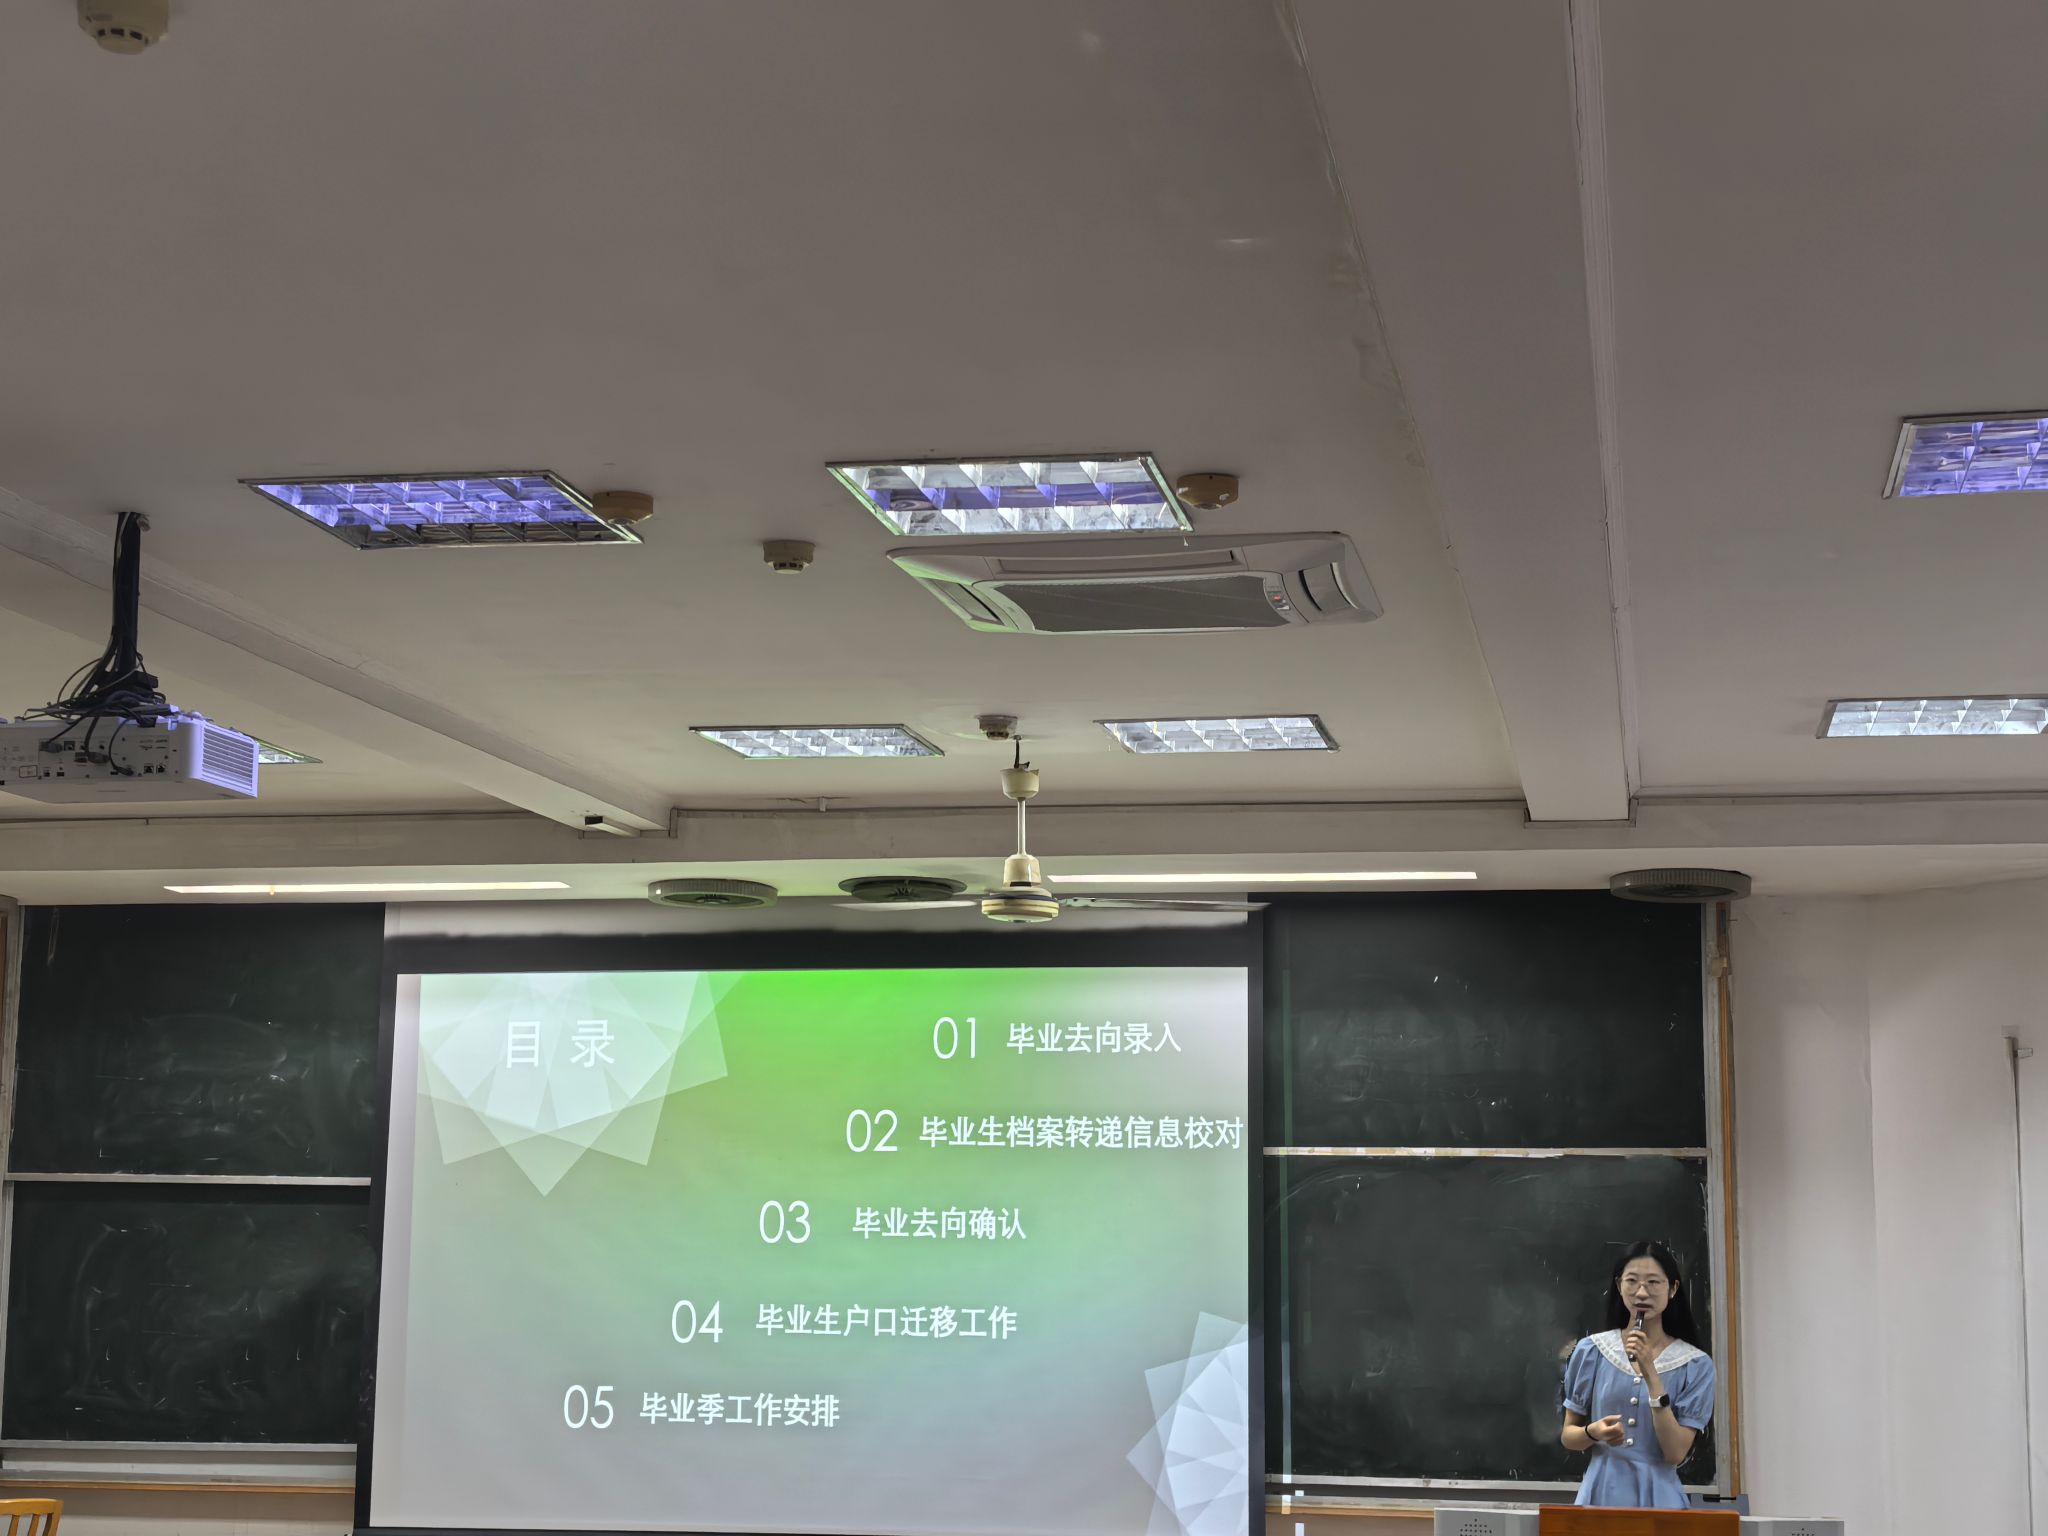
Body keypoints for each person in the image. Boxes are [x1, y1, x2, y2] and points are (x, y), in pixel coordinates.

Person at [1558, 1239, 1717, 1509]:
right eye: (1632, 1281)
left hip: (1660, 1500)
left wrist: (1650, 1373)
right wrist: (1593, 1432)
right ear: (1619, 1285)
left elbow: (1675, 1453)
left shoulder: (1695, 1364)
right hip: (1600, 1494)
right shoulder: (1592, 1351)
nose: (1642, 1292)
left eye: (1654, 1282)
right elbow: (1568, 1437)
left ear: (1672, 1288)